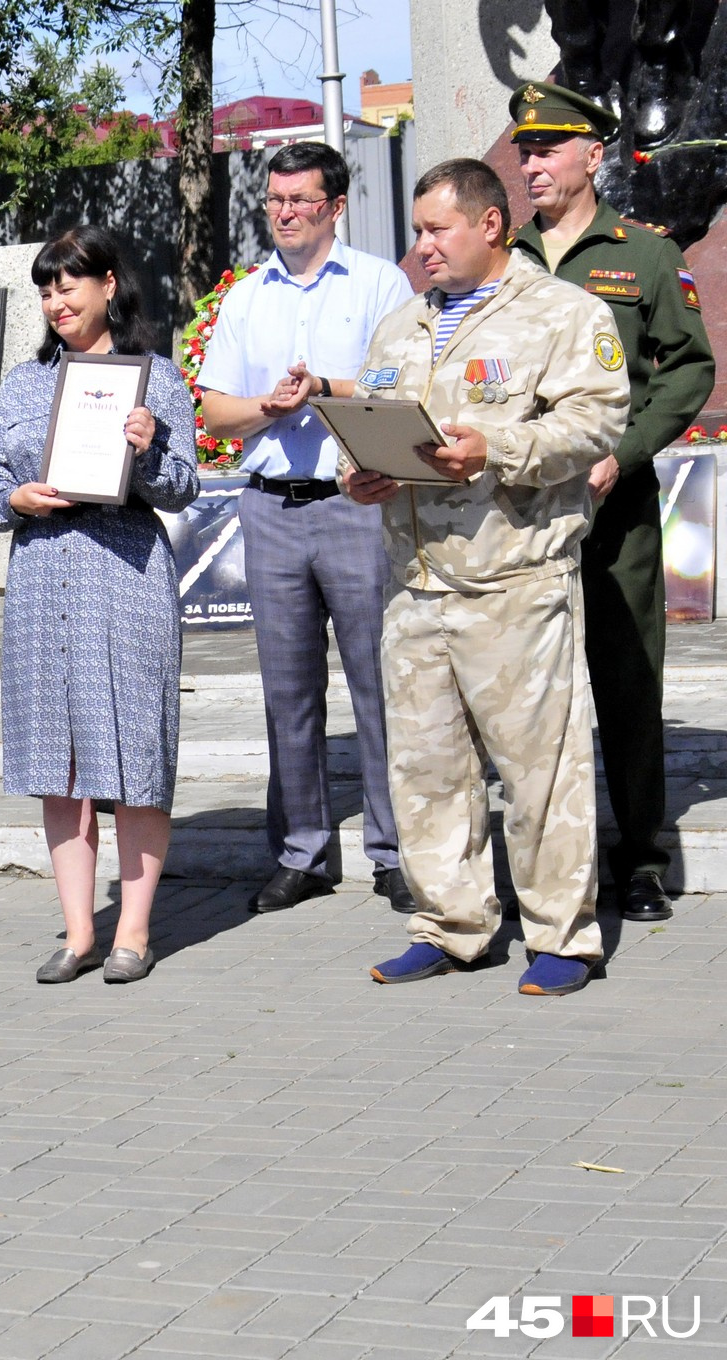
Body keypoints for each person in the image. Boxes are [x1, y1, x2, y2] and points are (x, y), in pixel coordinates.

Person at [347, 159, 629, 996]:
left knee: (541, 769)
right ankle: (452, 925)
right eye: (418, 229)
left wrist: (496, 448)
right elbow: (373, 419)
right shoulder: (401, 328)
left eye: (438, 229)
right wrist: (362, 471)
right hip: (416, 583)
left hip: (514, 579)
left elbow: (597, 419)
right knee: (426, 772)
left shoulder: (563, 314)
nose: (423, 245)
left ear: (491, 225)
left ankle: (562, 938)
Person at [507, 81, 716, 924]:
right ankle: (552, 863)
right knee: (529, 694)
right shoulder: (504, 259)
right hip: (518, 512)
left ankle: (638, 858)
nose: (531, 163)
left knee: (626, 686)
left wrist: (624, 455)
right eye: (523, 150)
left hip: (612, 509)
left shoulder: (644, 256)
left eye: (548, 148)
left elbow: (689, 369)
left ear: (593, 156)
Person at [0, 226, 202, 985]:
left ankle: (133, 934)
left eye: (69, 285)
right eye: (46, 289)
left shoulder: (156, 379)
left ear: (109, 285)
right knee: (58, 766)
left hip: (126, 575)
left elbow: (181, 488)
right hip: (43, 580)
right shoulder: (23, 383)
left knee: (135, 758)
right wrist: (16, 496)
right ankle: (79, 934)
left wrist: (144, 449)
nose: (56, 301)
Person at [196, 142, 416, 916]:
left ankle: (395, 850)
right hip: (269, 507)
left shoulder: (381, 284)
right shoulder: (247, 296)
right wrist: (270, 408)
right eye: (275, 201)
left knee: (378, 687)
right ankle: (302, 851)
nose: (285, 214)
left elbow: (403, 387)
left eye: (301, 201)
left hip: (356, 504)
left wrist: (324, 388)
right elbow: (215, 410)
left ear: (335, 207)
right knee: (288, 693)